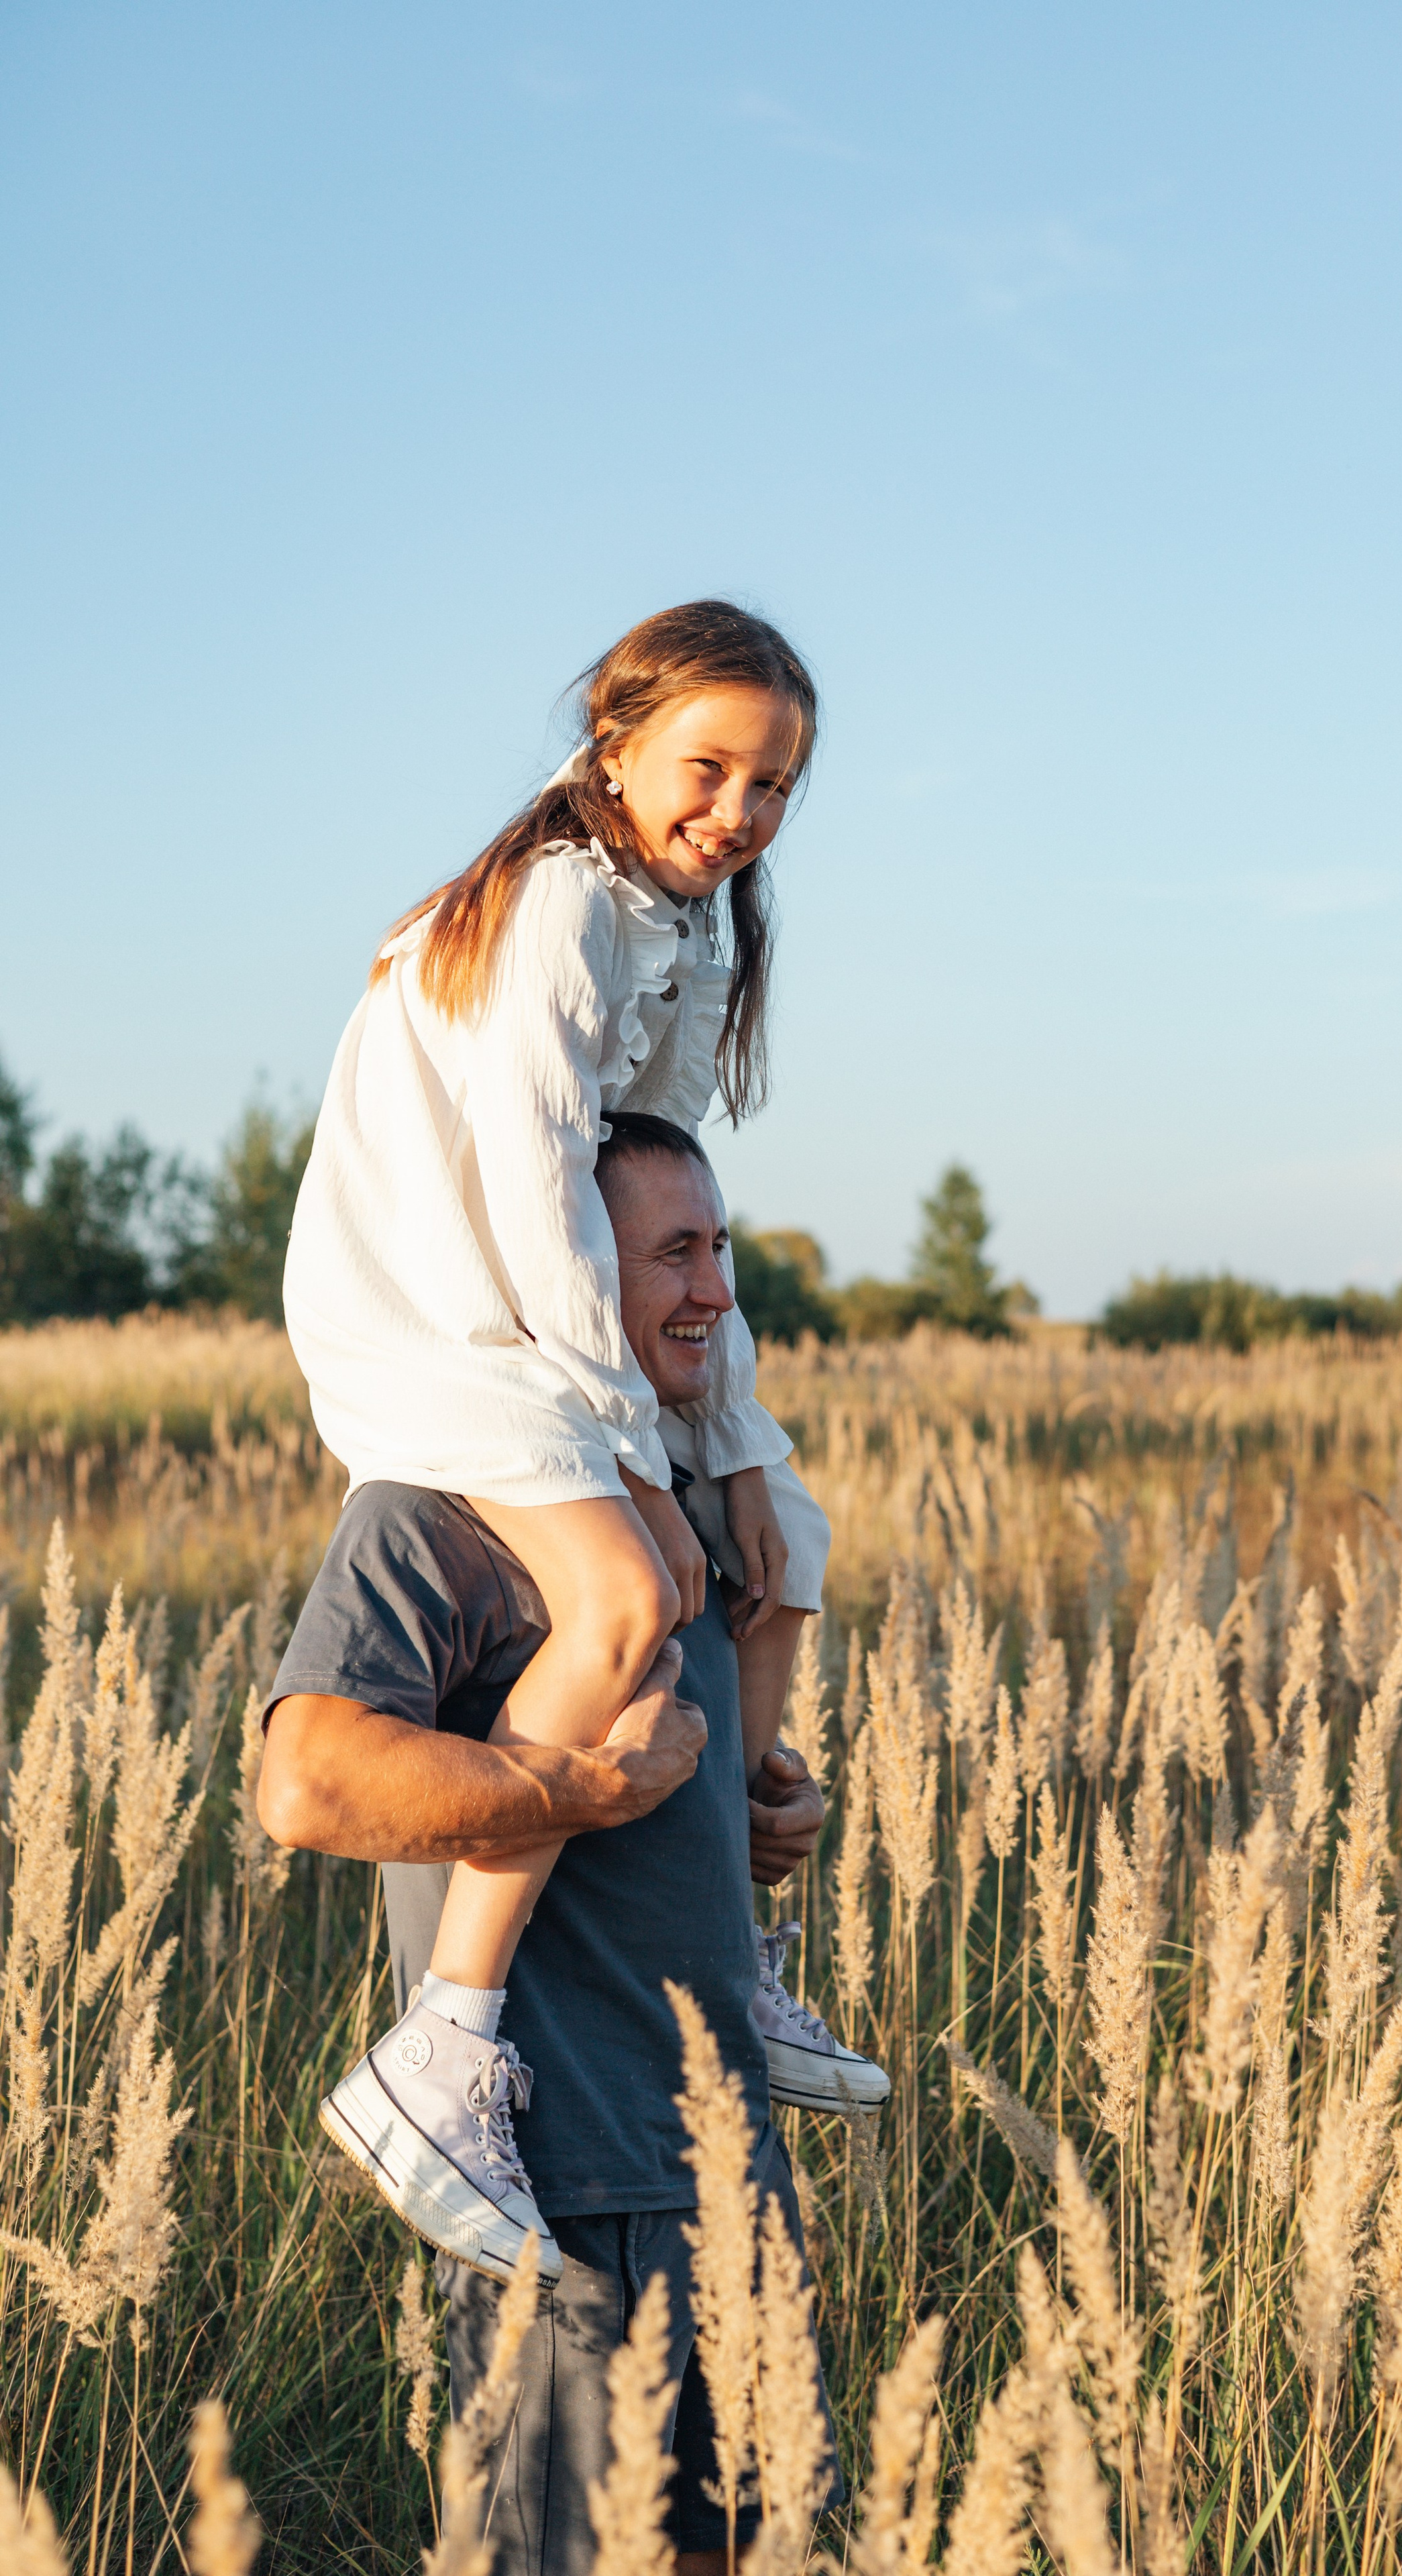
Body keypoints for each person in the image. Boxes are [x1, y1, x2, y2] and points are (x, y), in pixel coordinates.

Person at [278, 601, 882, 2275]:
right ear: (613, 742)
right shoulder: (553, 901)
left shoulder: (683, 932)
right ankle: (448, 2041)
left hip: (544, 1322)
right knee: (622, 1597)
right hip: (443, 1325)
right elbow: (552, 1199)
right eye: (709, 767)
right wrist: (623, 1443)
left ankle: (739, 1958)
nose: (739, 813)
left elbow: (663, 1188)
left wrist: (737, 1443)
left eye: (775, 787)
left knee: (783, 1553)